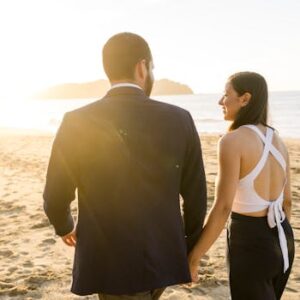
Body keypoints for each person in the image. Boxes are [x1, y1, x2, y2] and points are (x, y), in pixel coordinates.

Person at [43, 32, 207, 299]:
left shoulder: (76, 121)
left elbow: (55, 195)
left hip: (110, 259)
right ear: (142, 67)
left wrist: (64, 225)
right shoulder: (180, 119)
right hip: (164, 255)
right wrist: (187, 244)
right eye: (152, 67)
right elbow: (196, 195)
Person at [188, 72, 294, 299]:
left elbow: (223, 207)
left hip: (249, 243)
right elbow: (287, 202)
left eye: (226, 94)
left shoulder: (232, 141)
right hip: (283, 239)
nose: (220, 101)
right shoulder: (279, 141)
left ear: (245, 99)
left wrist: (194, 258)